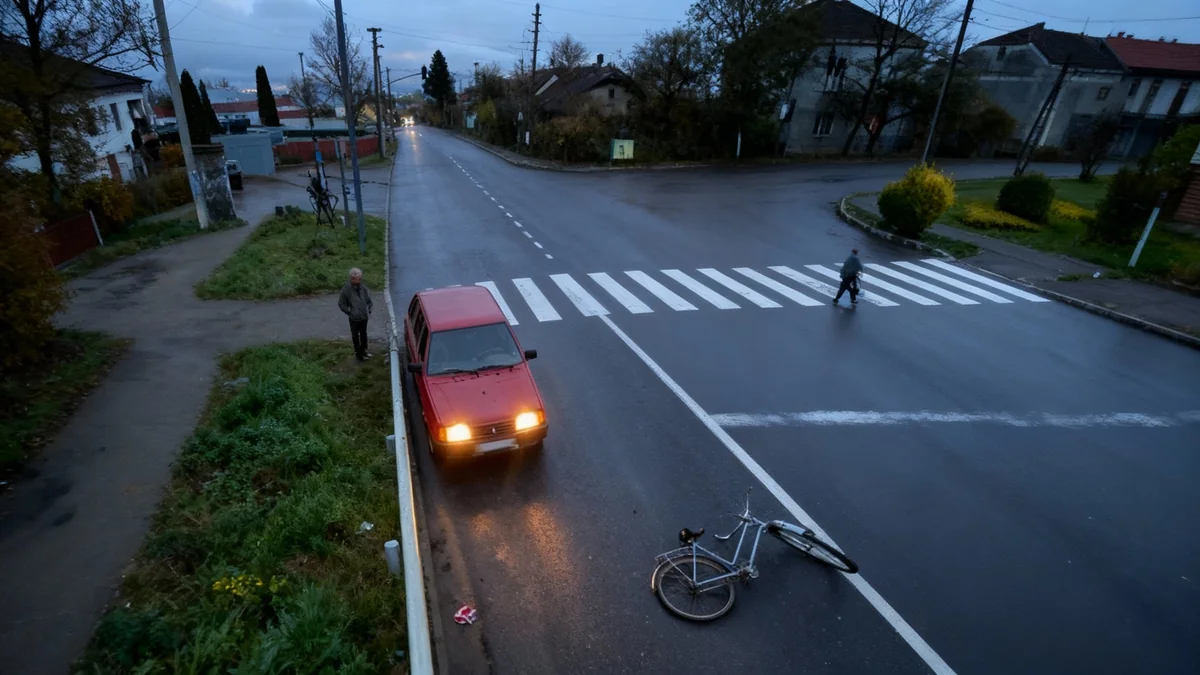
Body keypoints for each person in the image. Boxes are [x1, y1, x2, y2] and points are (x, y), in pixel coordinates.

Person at [338, 267, 373, 361]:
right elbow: (341, 303)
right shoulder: (346, 289)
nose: (360, 280)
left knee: (363, 335)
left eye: (360, 278)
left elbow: (368, 299)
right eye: (359, 278)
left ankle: (364, 351)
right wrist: (349, 311)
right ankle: (359, 355)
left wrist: (369, 308)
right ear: (353, 278)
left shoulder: (363, 287)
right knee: (355, 336)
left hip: (364, 316)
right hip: (354, 318)